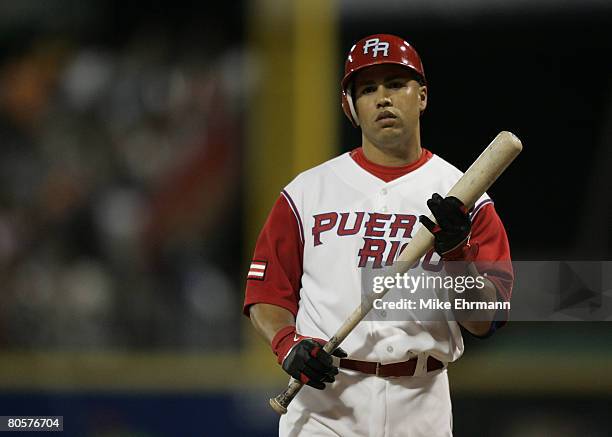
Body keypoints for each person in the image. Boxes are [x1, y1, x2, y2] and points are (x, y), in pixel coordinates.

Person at [243, 34, 513, 436]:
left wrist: (458, 253)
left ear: (421, 96)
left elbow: (484, 319)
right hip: (325, 403)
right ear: (350, 107)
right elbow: (266, 294)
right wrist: (288, 345)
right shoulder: (306, 192)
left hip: (421, 401)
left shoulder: (464, 196)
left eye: (395, 84)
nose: (382, 98)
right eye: (367, 89)